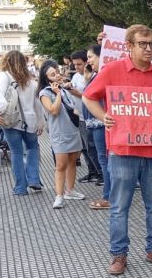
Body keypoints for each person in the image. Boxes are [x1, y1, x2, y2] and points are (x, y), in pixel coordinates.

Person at [83, 24, 152, 275]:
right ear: (129, 46)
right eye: (143, 44)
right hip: (123, 150)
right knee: (119, 205)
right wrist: (104, 117)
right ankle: (118, 254)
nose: (148, 49)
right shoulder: (112, 71)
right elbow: (88, 97)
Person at [0, 50, 44, 196]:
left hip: (12, 120)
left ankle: (21, 187)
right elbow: (37, 102)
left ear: (6, 61)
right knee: (33, 149)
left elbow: (0, 96)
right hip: (30, 120)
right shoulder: (30, 79)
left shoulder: (4, 75)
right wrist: (40, 121)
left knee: (16, 152)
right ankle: (34, 180)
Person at [38, 60, 84, 209]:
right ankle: (59, 195)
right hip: (59, 133)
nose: (57, 75)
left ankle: (70, 191)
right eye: (53, 74)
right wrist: (57, 94)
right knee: (60, 165)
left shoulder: (64, 89)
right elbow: (53, 110)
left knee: (73, 161)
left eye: (57, 72)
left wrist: (65, 89)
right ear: (46, 77)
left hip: (72, 130)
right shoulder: (45, 93)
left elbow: (73, 108)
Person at [83, 44, 111, 210]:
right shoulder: (96, 75)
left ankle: (109, 196)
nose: (89, 60)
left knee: (105, 160)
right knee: (103, 160)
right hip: (95, 124)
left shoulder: (104, 75)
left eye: (91, 56)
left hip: (101, 123)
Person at [68, 50, 102, 184]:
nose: (76, 67)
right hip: (79, 115)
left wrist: (76, 93)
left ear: (86, 63)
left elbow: (91, 97)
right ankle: (92, 172)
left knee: (93, 147)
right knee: (85, 148)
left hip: (91, 116)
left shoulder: (93, 76)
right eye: (75, 65)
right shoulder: (76, 76)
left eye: (79, 64)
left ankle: (101, 173)